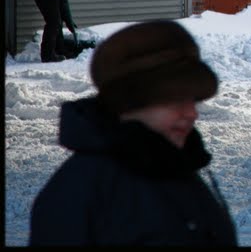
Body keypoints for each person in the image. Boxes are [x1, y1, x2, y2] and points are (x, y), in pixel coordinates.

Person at [29, 19, 238, 246]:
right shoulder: (78, 193)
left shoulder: (179, 167)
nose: (191, 114)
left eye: (193, 100)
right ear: (128, 102)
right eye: (173, 100)